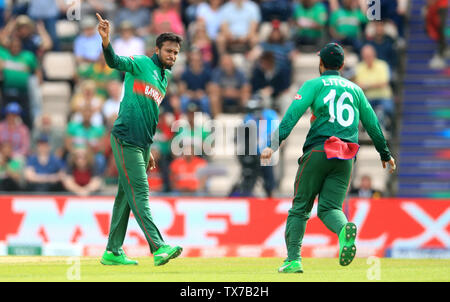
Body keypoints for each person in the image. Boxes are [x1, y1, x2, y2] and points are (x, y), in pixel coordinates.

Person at [261, 43, 396, 273]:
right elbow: (373, 124)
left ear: (321, 63)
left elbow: (293, 114)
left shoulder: (314, 84)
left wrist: (273, 144)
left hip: (319, 150)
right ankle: (344, 229)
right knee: (330, 208)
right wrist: (385, 154)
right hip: (346, 157)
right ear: (342, 65)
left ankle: (293, 259)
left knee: (300, 208)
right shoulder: (356, 90)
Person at [96, 13, 183, 266]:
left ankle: (112, 251)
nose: (173, 56)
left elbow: (150, 115)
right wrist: (106, 41)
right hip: (124, 137)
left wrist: (148, 150)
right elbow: (114, 62)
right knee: (140, 192)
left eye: (176, 53)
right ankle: (158, 247)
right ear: (157, 49)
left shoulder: (164, 79)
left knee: (125, 196)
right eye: (169, 51)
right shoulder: (141, 63)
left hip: (141, 144)